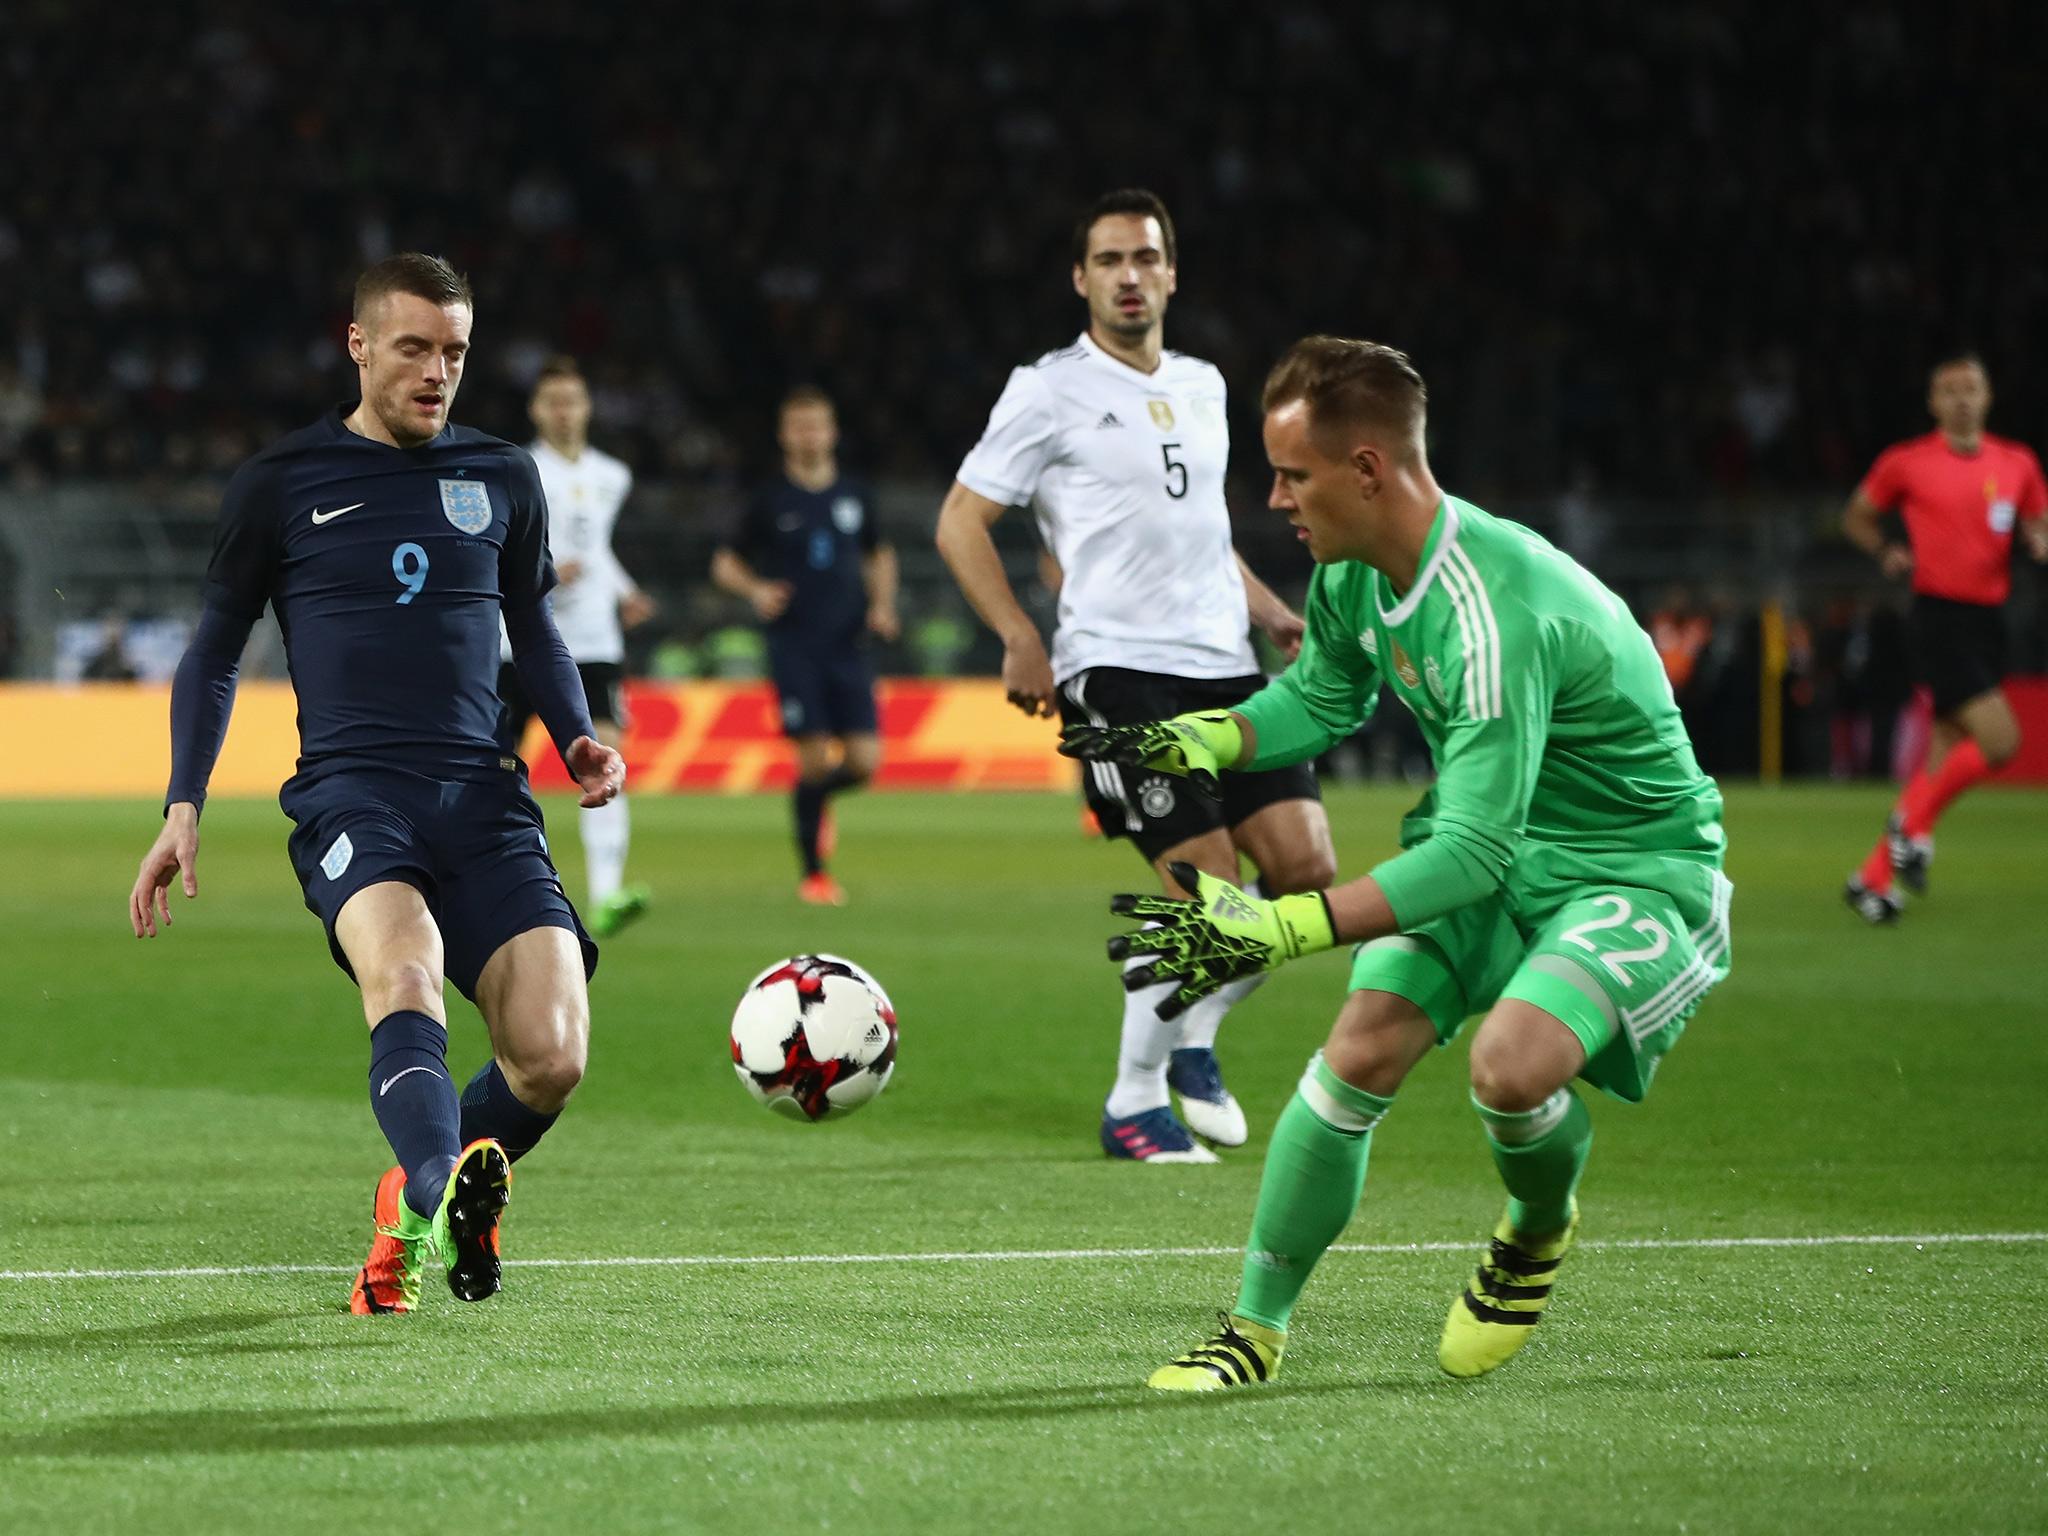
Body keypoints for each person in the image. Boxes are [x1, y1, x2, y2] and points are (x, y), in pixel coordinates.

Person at [1062, 336, 1731, 1388]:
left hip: (1631, 868)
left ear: (1365, 469)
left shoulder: (1494, 613)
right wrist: (1214, 740)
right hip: (1504, 850)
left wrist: (1284, 925)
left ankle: (1533, 1227)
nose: (1274, 498)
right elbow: (1323, 696)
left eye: (1291, 474)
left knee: (1507, 1071)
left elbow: (1469, 852)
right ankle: (1253, 1330)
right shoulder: (1349, 573)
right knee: (1354, 1057)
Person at [126, 253, 624, 1316]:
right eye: (413, 348)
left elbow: (531, 620)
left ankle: (415, 1188)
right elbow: (215, 651)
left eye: (453, 352)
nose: (436, 372)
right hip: (354, 796)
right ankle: (451, 1194)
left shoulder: (500, 476)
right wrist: (183, 805)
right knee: (403, 976)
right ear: (357, 345)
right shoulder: (281, 484)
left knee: (551, 1057)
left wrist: (575, 733)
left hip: (484, 795)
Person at [936, 188, 1335, 1164]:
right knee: (1211, 895)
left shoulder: (1201, 384)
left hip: (1226, 666)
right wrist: (1019, 637)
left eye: (1143, 258)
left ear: (1169, 271)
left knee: (1305, 878)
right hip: (1119, 673)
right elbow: (959, 521)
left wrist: (1267, 607)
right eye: (1108, 260)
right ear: (1080, 279)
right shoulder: (1047, 390)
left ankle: (1193, 1037)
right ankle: (1132, 1100)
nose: (1127, 276)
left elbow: (1198, 534)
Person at [1840, 352, 2048, 923]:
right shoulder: (1908, 462)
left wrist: (2038, 538)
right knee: (2001, 741)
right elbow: (1856, 515)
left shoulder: (2017, 463)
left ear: (1988, 397)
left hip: (1989, 621)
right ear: (1933, 403)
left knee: (1939, 756)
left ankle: (1872, 878)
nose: (1961, 398)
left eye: (1972, 388)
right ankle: (1912, 828)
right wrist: (1886, 548)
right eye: (1949, 390)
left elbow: (2037, 519)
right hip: (1938, 618)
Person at [712, 387, 899, 906]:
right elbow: (724, 563)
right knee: (814, 760)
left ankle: (814, 803)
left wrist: (883, 605)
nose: (808, 435)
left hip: (849, 644)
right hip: (795, 645)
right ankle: (814, 873)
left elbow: (879, 554)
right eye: (799, 427)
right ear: (784, 436)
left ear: (832, 432)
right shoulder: (770, 498)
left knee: (865, 762)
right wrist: (756, 590)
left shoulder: (855, 494)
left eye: (816, 425)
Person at [496, 355, 656, 938]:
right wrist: (540, 571)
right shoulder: (515, 469)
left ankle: (607, 894)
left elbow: (599, 549)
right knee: (496, 767)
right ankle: (492, 880)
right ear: (537, 410)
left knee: (606, 753)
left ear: (588, 407)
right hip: (519, 640)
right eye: (553, 402)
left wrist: (625, 590)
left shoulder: (612, 475)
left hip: (593, 641)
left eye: (573, 400)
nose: (564, 411)